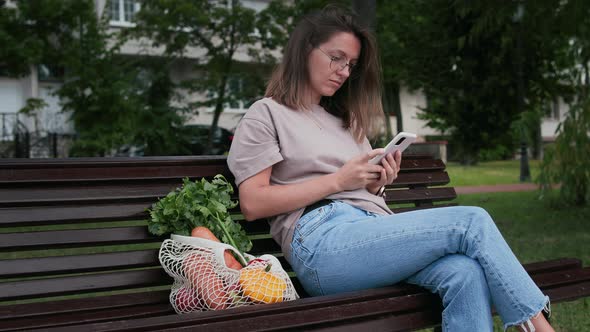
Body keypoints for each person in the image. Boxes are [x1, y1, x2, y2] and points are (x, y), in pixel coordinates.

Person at [227, 6, 553, 332]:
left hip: (373, 232)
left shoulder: (346, 121)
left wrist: (377, 183)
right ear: (304, 49)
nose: (343, 71)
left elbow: (358, 188)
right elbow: (253, 203)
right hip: (321, 245)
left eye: (351, 65)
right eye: (336, 57)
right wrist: (338, 180)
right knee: (472, 222)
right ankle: (541, 327)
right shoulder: (266, 113)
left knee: (464, 272)